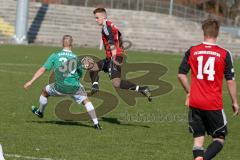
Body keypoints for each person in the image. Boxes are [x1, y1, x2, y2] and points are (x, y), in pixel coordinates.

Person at [177, 19, 239, 160]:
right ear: (218, 33)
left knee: (198, 140)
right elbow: (230, 81)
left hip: (195, 102)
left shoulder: (192, 50)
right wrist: (235, 102)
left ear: (203, 31)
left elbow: (181, 75)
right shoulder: (224, 54)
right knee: (219, 139)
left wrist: (189, 92)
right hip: (213, 104)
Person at [24, 35, 101, 130]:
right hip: (74, 87)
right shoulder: (76, 58)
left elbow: (42, 69)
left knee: (44, 91)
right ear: (72, 44)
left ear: (62, 43)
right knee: (86, 101)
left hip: (59, 87)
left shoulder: (55, 55)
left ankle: (40, 111)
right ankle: (96, 123)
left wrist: (31, 82)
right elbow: (80, 75)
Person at [90, 8, 152, 101]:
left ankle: (142, 89)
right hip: (111, 57)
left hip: (114, 57)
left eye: (97, 18)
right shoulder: (111, 24)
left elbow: (111, 41)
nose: (96, 20)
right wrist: (120, 48)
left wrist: (114, 57)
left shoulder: (106, 27)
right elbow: (120, 35)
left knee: (116, 83)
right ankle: (95, 86)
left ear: (103, 17)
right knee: (93, 68)